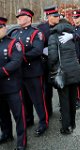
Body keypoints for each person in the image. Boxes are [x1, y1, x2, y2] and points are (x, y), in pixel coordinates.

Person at [11, 8, 48, 136]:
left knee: (38, 99)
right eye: (18, 16)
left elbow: (37, 50)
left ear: (29, 18)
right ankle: (29, 120)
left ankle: (43, 121)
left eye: (21, 16)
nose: (19, 18)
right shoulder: (15, 33)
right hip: (19, 74)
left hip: (33, 72)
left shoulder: (36, 33)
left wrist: (20, 58)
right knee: (25, 100)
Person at [48, 18, 80, 134]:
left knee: (64, 101)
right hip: (74, 71)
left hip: (63, 73)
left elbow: (52, 57)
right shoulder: (71, 34)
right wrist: (73, 35)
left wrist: (50, 68)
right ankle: (73, 123)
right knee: (73, 99)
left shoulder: (53, 37)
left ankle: (66, 127)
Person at [0, 17, 26, 150]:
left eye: (0, 27)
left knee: (18, 115)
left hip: (12, 86)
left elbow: (16, 62)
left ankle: (22, 142)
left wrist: (2, 72)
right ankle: (6, 134)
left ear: (5, 28)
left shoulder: (13, 43)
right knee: (2, 115)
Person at [37, 5, 60, 117]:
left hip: (59, 62)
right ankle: (49, 111)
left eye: (58, 15)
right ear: (49, 16)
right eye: (55, 16)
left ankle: (64, 109)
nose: (58, 18)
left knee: (62, 85)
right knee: (47, 89)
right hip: (46, 63)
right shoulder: (41, 28)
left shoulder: (62, 26)